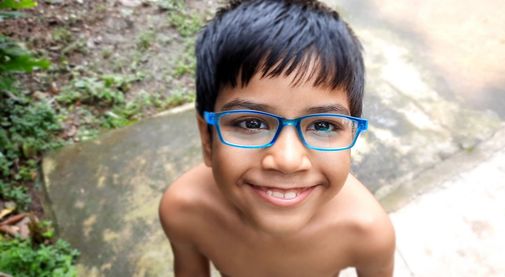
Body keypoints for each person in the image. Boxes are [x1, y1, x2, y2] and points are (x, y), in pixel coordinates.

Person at [159, 0, 395, 276]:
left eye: (322, 125)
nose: (287, 160)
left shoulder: (367, 232)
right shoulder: (184, 210)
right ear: (207, 138)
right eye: (252, 122)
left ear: (351, 138)